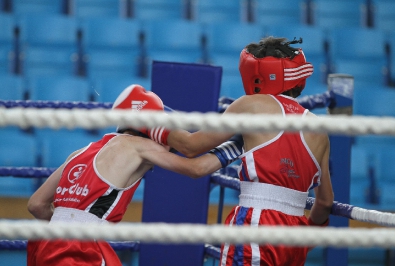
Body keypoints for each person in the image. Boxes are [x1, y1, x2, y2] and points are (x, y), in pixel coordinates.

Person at [146, 36, 334, 265]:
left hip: (256, 225)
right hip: (294, 237)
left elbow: (190, 146)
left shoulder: (251, 106)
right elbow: (324, 203)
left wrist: (149, 120)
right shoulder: (319, 130)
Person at [26, 84, 243, 266]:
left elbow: (36, 204)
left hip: (46, 241)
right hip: (82, 246)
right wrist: (239, 145)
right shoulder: (138, 146)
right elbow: (196, 168)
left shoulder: (79, 152)